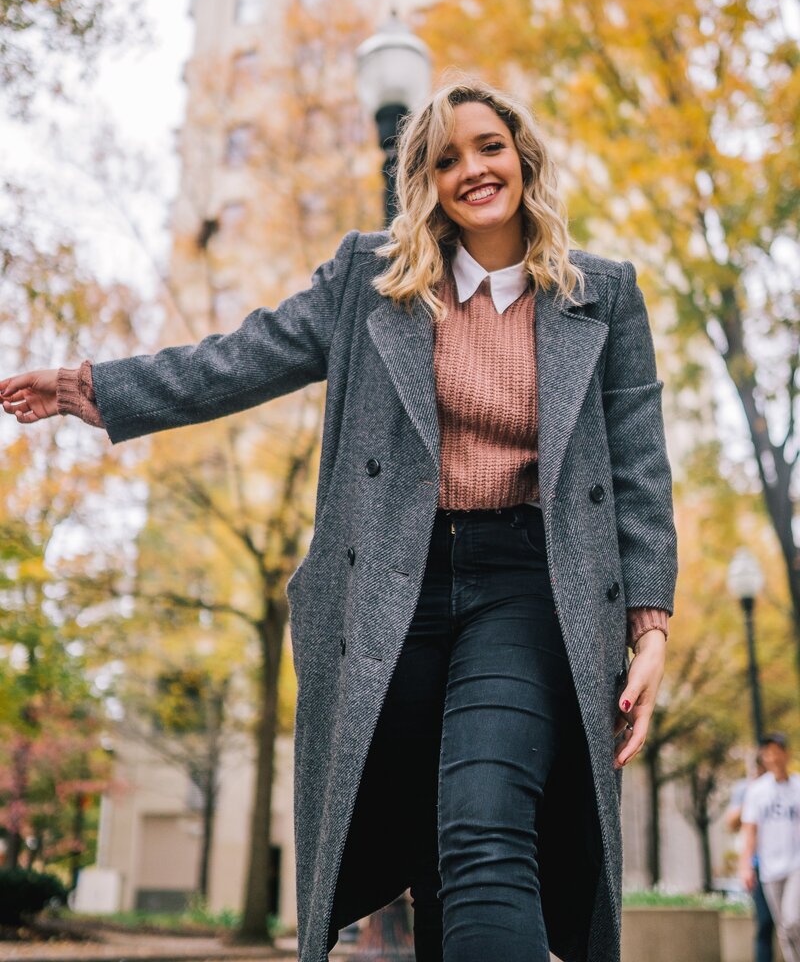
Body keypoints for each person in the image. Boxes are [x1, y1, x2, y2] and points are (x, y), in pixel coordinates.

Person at [0, 77, 677, 962]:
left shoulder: (604, 295)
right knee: (432, 845)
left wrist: (651, 625)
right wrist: (98, 388)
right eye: (444, 159)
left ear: (523, 157)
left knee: (484, 824)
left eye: (488, 147)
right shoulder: (374, 278)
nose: (471, 170)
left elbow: (639, 467)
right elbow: (241, 357)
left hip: (530, 583)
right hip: (391, 588)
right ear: (423, 184)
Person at [741, 733, 800, 962]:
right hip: (769, 868)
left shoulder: (797, 787)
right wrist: (746, 865)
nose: (772, 757)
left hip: (796, 863)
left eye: (776, 752)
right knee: (783, 927)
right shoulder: (757, 791)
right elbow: (750, 830)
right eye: (767, 753)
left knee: (792, 918)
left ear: (786, 754)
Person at [727, 752, 774, 962]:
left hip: (788, 864)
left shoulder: (787, 786)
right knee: (764, 922)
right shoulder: (746, 789)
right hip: (759, 865)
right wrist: (752, 796)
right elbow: (731, 823)